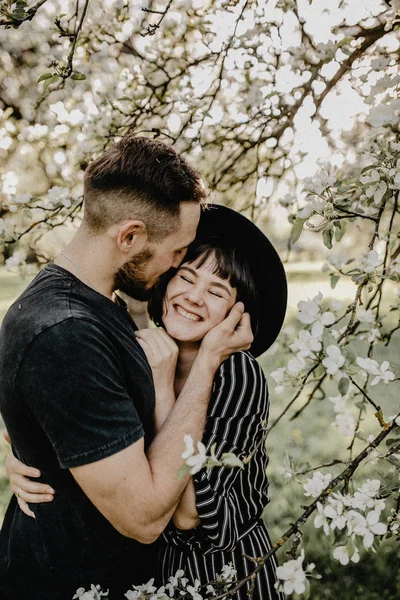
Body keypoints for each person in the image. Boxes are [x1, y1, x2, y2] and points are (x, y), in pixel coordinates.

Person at [0, 136, 254, 600]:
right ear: (130, 237)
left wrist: (28, 443)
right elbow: (144, 518)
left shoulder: (97, 301)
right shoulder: (66, 332)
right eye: (177, 252)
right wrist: (205, 366)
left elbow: (50, 404)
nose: (178, 265)